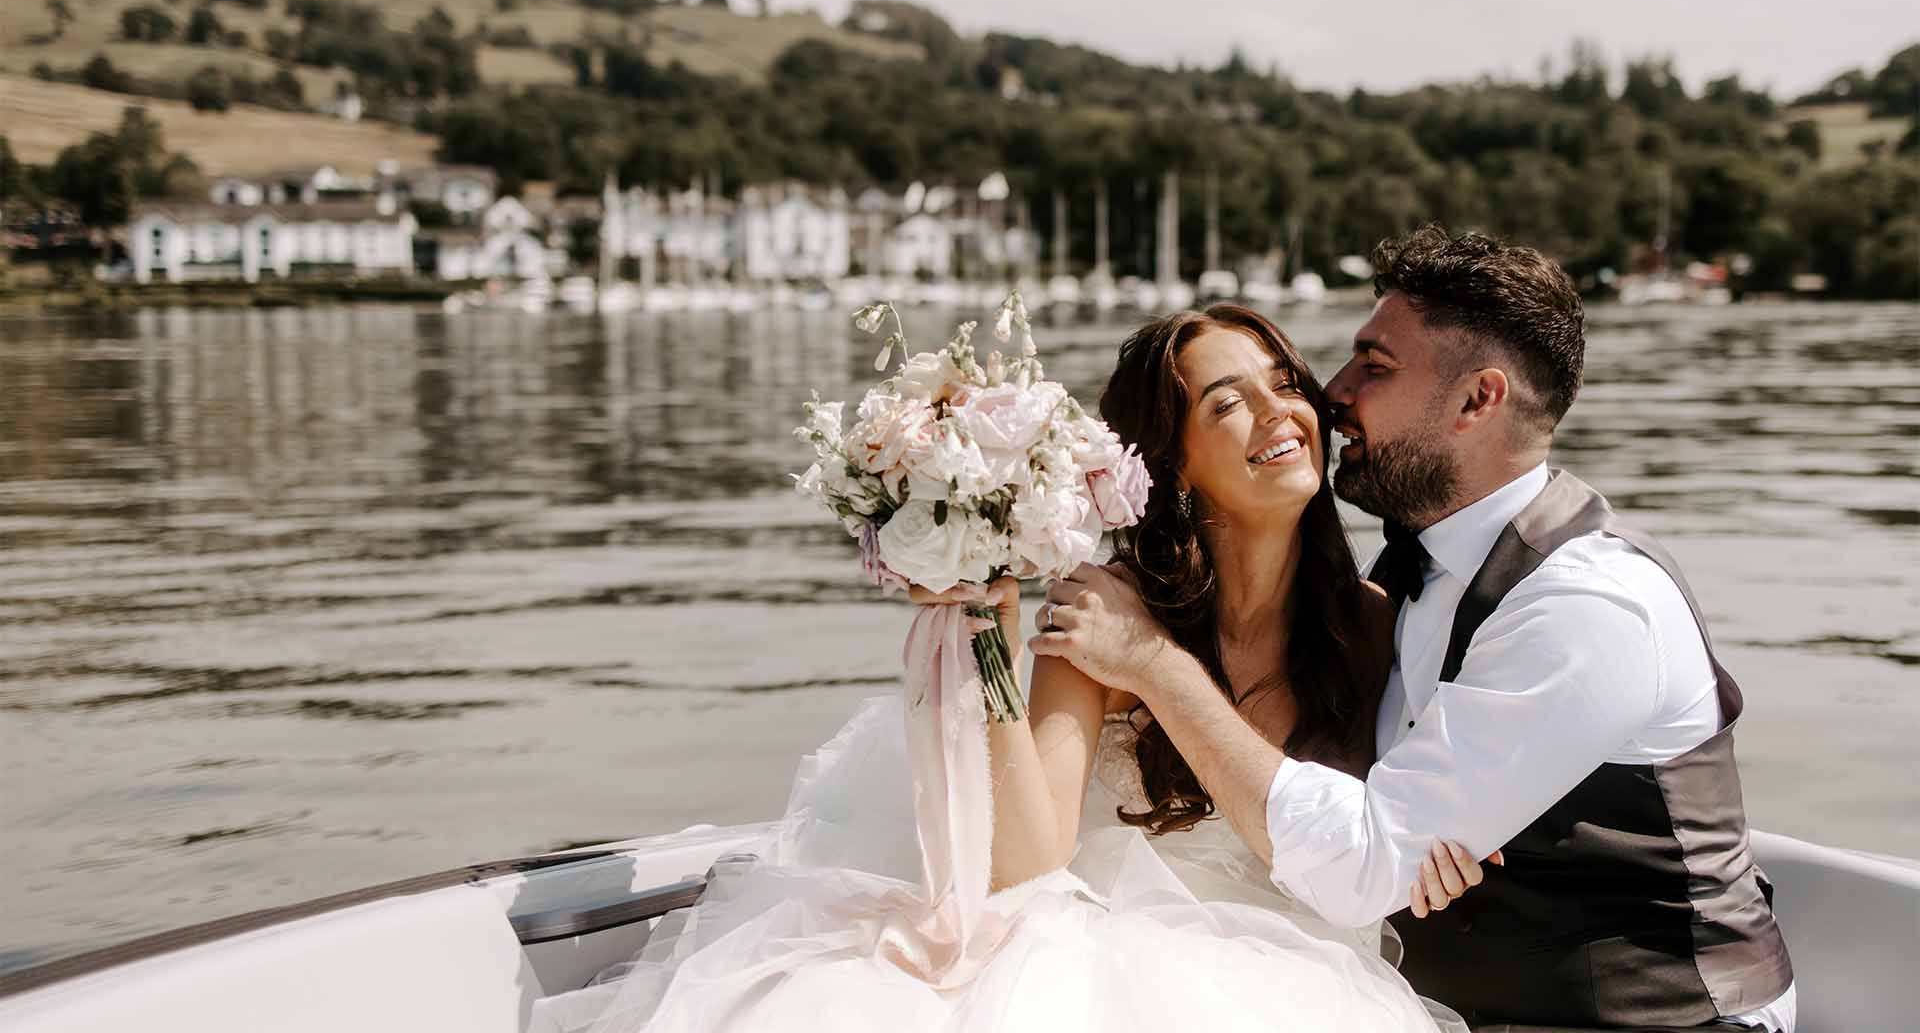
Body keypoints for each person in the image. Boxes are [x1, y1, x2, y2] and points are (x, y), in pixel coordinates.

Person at [541, 304, 1478, 1033]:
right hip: (1098, 946)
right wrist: (990, 613)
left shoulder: (1378, 627)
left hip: (1300, 966)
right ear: (1174, 465)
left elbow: (1426, 810)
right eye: (1227, 402)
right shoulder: (1107, 610)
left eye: (1285, 384)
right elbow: (1030, 867)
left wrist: (1459, 832)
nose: (1280, 413)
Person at [1034, 226, 1796, 1032]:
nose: (1333, 390)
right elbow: (1386, 835)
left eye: (1375, 365)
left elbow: (1364, 863)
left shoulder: (1589, 606)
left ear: (1477, 400)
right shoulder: (1389, 584)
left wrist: (1153, 663)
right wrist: (1423, 834)